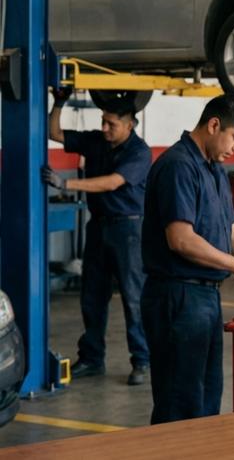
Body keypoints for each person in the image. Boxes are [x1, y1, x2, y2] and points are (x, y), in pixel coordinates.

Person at [141, 94, 234, 424]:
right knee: (180, 405)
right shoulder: (178, 166)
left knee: (206, 401)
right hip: (177, 297)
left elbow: (232, 230)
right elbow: (180, 239)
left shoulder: (214, 170)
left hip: (204, 298)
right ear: (213, 125)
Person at [43, 87, 152, 386]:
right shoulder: (97, 140)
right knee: (92, 295)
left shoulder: (139, 152)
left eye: (111, 124)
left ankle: (142, 360)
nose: (104, 128)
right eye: (103, 121)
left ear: (129, 125)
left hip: (128, 229)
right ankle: (92, 358)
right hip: (99, 226)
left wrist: (67, 184)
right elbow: (55, 133)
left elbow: (113, 182)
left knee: (132, 297)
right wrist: (59, 103)